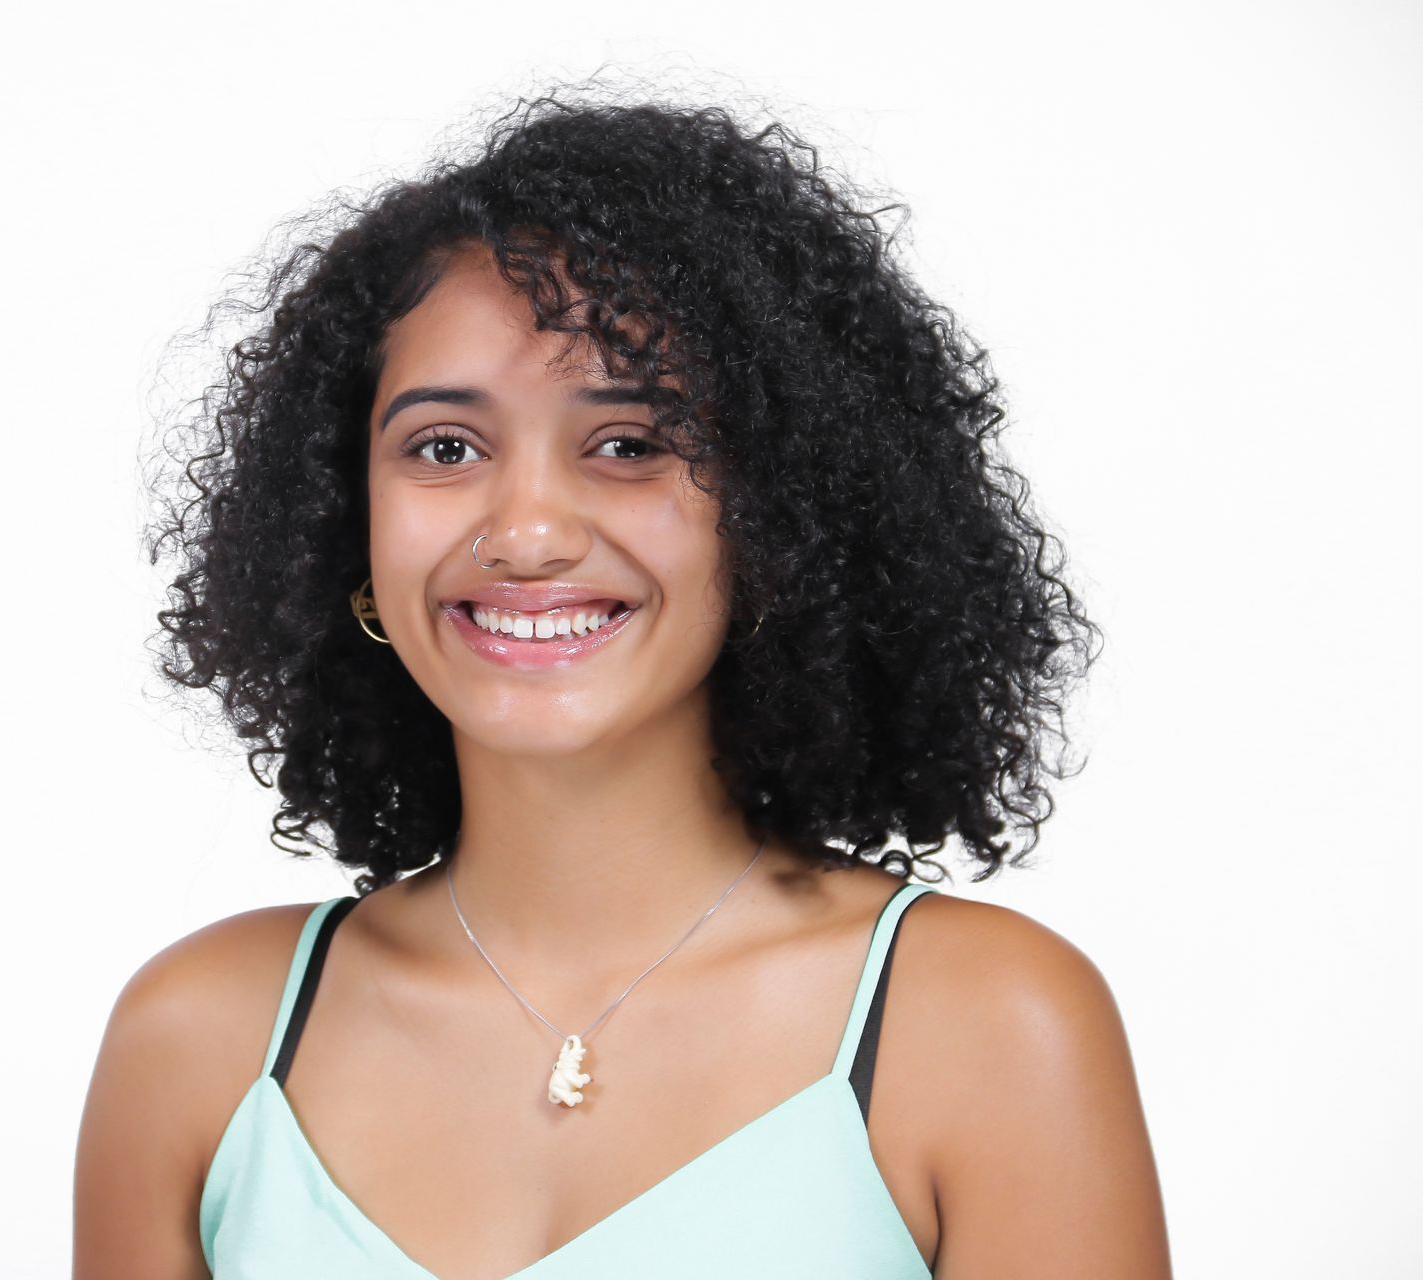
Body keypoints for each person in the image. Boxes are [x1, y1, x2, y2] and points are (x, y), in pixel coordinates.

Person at [75, 84, 1171, 1279]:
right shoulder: (197, 1043)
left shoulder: (987, 1026)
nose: (528, 530)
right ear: (348, 520)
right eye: (446, 447)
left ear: (781, 515)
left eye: (630, 444)